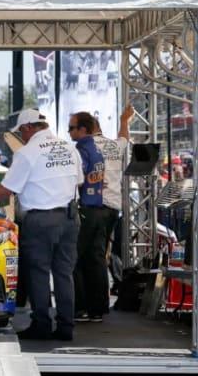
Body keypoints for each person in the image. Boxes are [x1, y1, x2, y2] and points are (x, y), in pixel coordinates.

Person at [0, 109, 82, 340]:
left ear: (27, 128)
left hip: (40, 220)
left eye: (21, 132)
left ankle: (42, 324)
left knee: (38, 273)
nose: (22, 137)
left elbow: (8, 188)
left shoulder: (27, 153)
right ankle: (66, 327)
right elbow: (79, 181)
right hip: (69, 217)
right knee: (64, 274)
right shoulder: (69, 148)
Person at [68, 112, 107, 323]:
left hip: (84, 210)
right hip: (99, 208)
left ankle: (80, 307)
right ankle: (98, 308)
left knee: (74, 259)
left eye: (71, 128)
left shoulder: (81, 150)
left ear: (82, 129)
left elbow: (78, 179)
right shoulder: (97, 149)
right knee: (96, 260)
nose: (69, 132)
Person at [93, 105, 133, 303]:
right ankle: (104, 297)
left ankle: (99, 300)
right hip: (114, 207)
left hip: (97, 205)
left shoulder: (87, 146)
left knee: (95, 255)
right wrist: (124, 121)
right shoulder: (114, 145)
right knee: (104, 253)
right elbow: (124, 138)